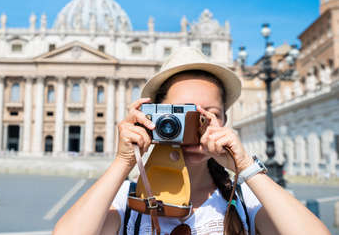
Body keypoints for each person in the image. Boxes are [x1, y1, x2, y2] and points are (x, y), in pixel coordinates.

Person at [53, 47, 330, 235]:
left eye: (210, 115)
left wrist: (245, 166)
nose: (198, 127)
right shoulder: (125, 201)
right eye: (182, 115)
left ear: (225, 121)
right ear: (155, 118)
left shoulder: (246, 200)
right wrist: (123, 162)